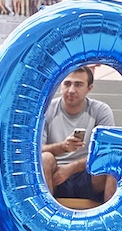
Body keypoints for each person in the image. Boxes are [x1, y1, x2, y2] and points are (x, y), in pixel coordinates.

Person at [42, 65, 117, 204]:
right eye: (67, 84)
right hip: (54, 175)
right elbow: (36, 150)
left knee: (113, 160)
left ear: (89, 88)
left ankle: (111, 218)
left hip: (87, 174)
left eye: (78, 85)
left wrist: (71, 168)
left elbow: (106, 151)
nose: (71, 90)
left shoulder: (100, 110)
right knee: (45, 158)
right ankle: (44, 210)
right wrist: (62, 147)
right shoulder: (48, 110)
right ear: (60, 86)